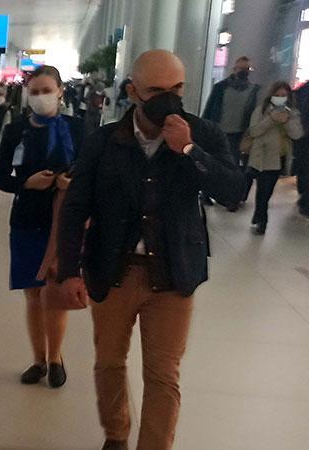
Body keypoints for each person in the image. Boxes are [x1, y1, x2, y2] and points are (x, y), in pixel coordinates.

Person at [57, 50, 244, 450]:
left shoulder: (204, 134)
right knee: (109, 362)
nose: (169, 100)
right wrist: (69, 271)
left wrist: (189, 150)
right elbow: (75, 207)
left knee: (163, 373)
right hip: (113, 267)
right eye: (157, 91)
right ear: (133, 92)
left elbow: (233, 191)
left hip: (174, 272)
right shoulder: (104, 141)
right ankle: (116, 434)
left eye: (177, 89)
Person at [0, 65, 83, 388]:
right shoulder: (16, 130)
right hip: (27, 218)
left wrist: (71, 184)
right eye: (35, 92)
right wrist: (26, 183)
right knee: (32, 292)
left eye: (47, 90)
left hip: (64, 221)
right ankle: (38, 359)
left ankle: (56, 357)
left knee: (54, 291)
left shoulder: (77, 128)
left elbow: (91, 173)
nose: (41, 97)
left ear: (60, 91)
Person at [202, 56, 261, 210]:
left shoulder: (254, 90)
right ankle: (206, 193)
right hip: (218, 132)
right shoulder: (220, 87)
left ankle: (230, 198)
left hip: (239, 135)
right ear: (234, 69)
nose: (244, 72)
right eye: (241, 69)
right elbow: (209, 108)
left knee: (233, 168)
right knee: (212, 164)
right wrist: (204, 130)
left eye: (247, 69)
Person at [246, 81, 304, 234]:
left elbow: (297, 134)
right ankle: (261, 220)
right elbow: (254, 131)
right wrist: (271, 119)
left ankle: (259, 217)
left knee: (267, 191)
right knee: (262, 191)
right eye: (277, 95)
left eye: (284, 95)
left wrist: (286, 121)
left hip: (279, 158)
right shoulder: (262, 110)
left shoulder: (293, 113)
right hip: (262, 157)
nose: (280, 98)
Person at [293, 81, 309, 217]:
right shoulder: (302, 91)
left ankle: (304, 197)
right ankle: (305, 201)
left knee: (303, 168)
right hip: (304, 137)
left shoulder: (301, 91)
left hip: (302, 137)